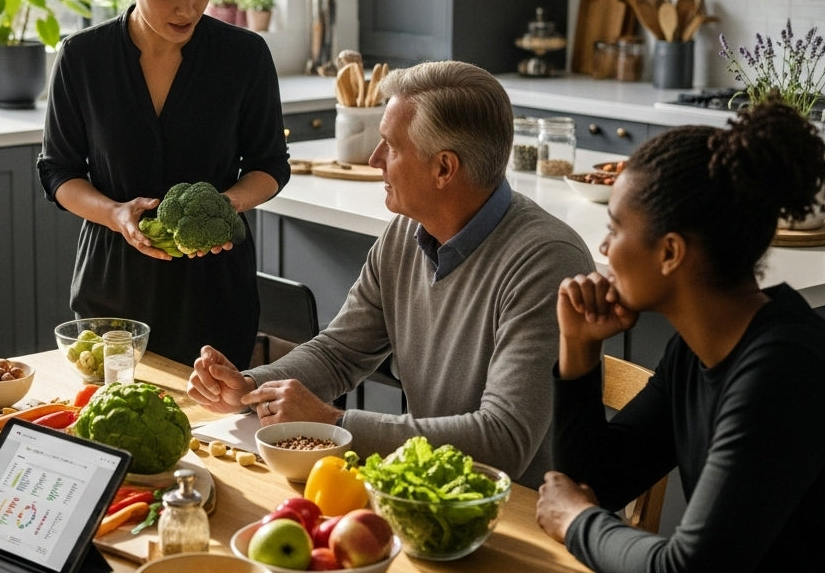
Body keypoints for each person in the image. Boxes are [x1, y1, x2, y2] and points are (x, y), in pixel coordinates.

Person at [187, 61, 594, 484]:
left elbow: (502, 440)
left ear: (443, 169)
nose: (374, 159)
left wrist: (336, 423)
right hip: (423, 488)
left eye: (391, 146)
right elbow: (338, 352)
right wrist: (249, 387)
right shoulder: (407, 231)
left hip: (520, 515)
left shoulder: (547, 263)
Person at [537, 101, 825, 571]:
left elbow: (689, 568)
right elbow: (593, 484)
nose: (603, 248)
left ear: (671, 252)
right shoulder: (697, 351)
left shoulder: (784, 373)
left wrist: (578, 522)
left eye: (615, 228)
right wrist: (579, 349)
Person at [37, 0, 290, 368]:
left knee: (214, 432)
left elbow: (270, 164)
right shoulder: (82, 58)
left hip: (215, 291)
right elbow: (59, 173)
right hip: (112, 289)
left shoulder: (244, 56)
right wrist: (116, 214)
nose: (188, 9)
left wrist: (225, 204)